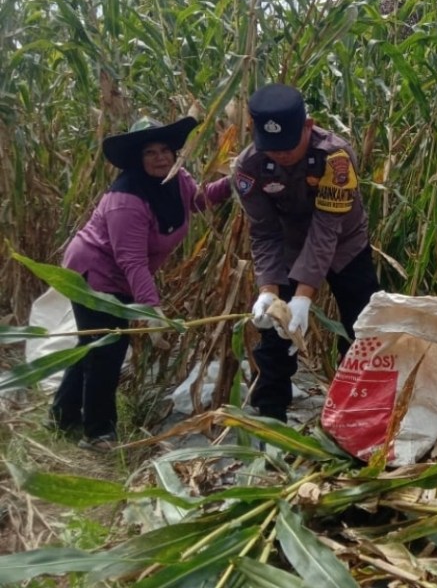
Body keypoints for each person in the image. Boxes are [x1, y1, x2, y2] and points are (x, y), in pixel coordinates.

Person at [51, 116, 232, 451]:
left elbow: (197, 201)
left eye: (165, 149)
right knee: (107, 349)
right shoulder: (126, 199)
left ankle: (63, 417)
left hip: (120, 275)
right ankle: (98, 433)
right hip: (93, 274)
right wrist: (153, 311)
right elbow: (130, 260)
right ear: (137, 158)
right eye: (150, 152)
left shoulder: (177, 180)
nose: (161, 157)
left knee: (91, 346)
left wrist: (233, 182)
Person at [233, 83, 380, 422]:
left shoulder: (336, 157)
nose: (280, 155)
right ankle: (270, 416)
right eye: (271, 147)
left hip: (345, 243)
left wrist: (304, 297)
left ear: (308, 127)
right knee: (274, 329)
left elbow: (326, 230)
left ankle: (356, 414)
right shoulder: (250, 167)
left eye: (288, 145)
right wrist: (269, 290)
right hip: (287, 246)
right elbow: (264, 232)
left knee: (362, 327)